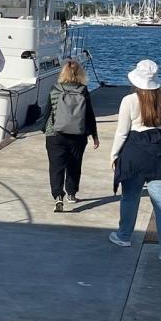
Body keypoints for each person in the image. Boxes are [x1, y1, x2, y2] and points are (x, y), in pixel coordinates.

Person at [109, 59, 161, 261]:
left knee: (130, 197)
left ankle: (124, 236)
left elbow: (122, 133)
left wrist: (114, 155)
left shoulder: (129, 101)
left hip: (134, 154)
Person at [42, 59, 99, 212]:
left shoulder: (55, 89)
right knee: (74, 164)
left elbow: (47, 112)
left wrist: (43, 129)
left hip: (55, 134)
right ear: (79, 73)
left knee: (56, 167)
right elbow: (89, 115)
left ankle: (58, 197)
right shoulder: (83, 91)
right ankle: (71, 194)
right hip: (78, 135)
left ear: (63, 73)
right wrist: (94, 135)